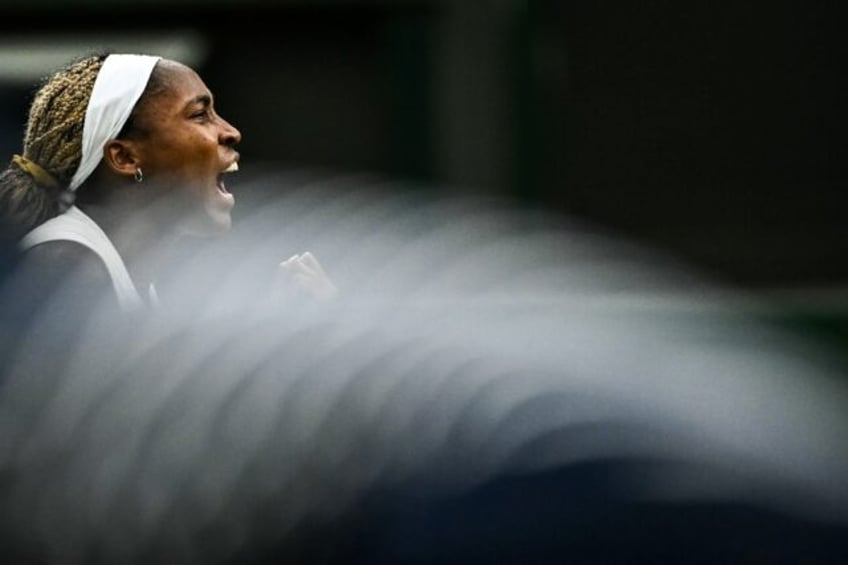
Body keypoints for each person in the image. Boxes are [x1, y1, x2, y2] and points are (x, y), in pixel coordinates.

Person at [0, 52, 336, 316]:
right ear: (125, 158)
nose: (231, 131)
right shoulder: (67, 269)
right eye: (200, 114)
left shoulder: (132, 275)